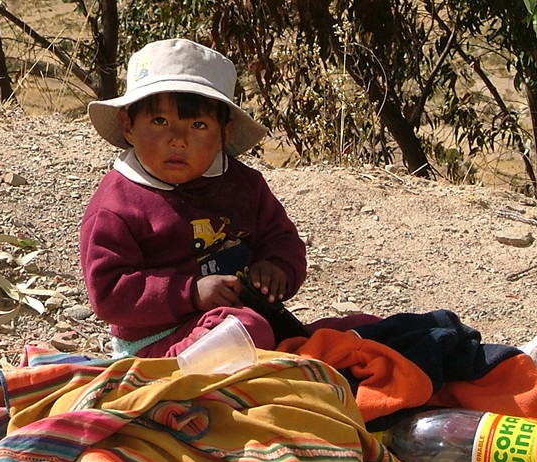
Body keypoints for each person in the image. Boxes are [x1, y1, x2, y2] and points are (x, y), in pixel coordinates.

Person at [80, 38, 375, 359]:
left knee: (360, 329)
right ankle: (169, 374)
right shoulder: (117, 205)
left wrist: (276, 269)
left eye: (198, 125)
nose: (177, 140)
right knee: (245, 328)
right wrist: (190, 292)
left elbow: (281, 239)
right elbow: (109, 293)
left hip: (244, 317)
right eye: (159, 121)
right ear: (128, 126)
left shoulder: (243, 185)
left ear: (225, 133)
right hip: (156, 339)